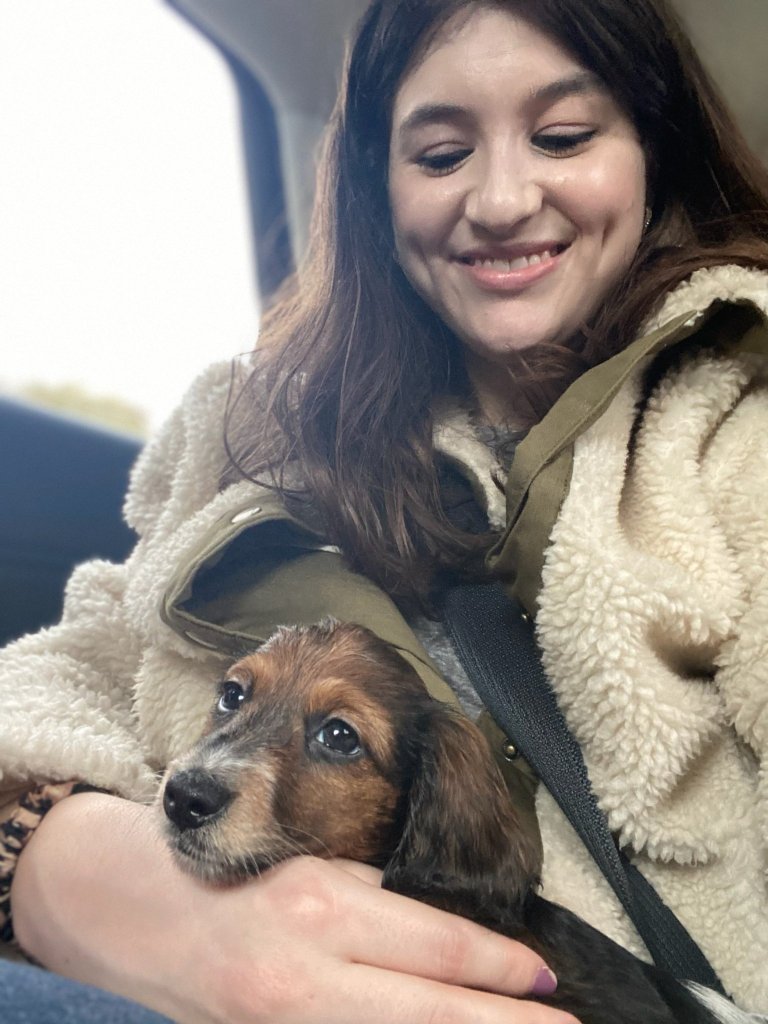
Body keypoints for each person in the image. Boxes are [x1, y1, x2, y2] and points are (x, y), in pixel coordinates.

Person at [2, 0, 768, 1020]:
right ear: (375, 186)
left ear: (653, 158)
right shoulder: (251, 431)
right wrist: (53, 862)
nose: (501, 199)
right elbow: (61, 675)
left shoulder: (743, 429)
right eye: (442, 153)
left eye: (563, 137)